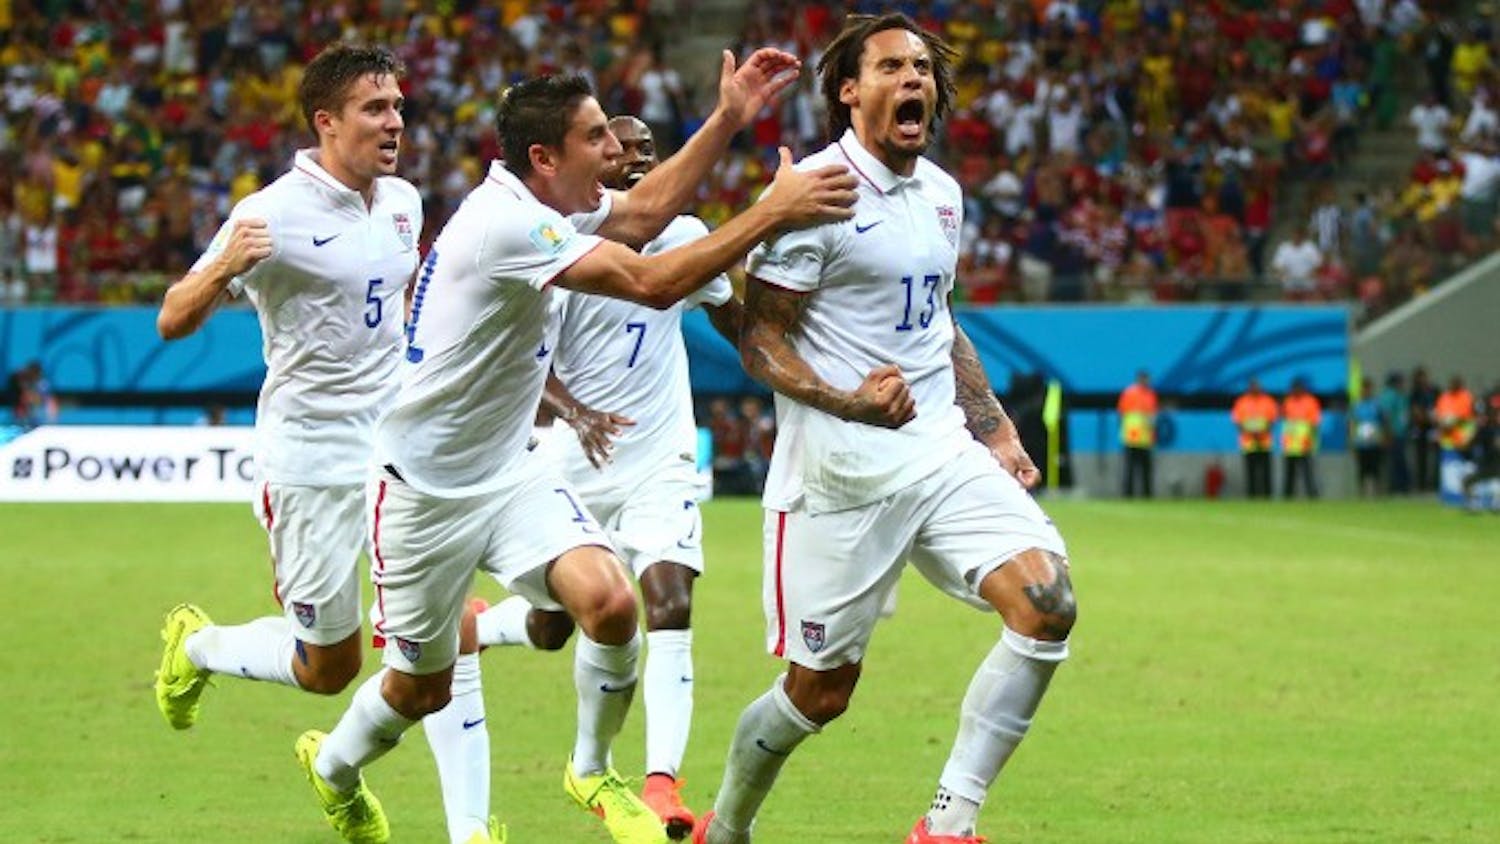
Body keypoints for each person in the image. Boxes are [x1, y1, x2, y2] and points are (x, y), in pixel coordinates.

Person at [297, 59, 856, 844]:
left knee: (613, 604)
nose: (613, 152)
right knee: (417, 690)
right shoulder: (507, 224)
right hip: (423, 492)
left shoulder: (545, 206)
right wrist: (771, 210)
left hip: (511, 470)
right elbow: (652, 281)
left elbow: (649, 211)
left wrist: (728, 115)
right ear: (544, 160)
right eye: (595, 138)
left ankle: (591, 769)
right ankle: (336, 771)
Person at [694, 15, 1076, 844]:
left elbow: (937, 320)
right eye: (893, 67)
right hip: (839, 476)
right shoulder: (814, 195)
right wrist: (848, 402)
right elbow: (760, 336)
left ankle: (948, 824)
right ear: (848, 89)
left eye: (923, 69)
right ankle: (727, 826)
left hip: (939, 451)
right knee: (819, 694)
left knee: (1047, 605)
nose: (914, 80)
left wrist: (996, 428)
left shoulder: (943, 194)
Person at [151, 44, 501, 844]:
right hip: (308, 460)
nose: (396, 124)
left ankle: (471, 831)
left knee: (446, 635)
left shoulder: (405, 202)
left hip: (400, 454)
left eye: (400, 108)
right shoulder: (265, 214)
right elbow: (173, 318)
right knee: (328, 668)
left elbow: (406, 306)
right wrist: (222, 271)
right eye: (376, 109)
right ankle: (198, 645)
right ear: (326, 121)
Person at [473, 114, 745, 839]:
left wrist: (801, 362)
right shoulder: (561, 245)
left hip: (660, 460)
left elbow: (738, 322)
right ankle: (485, 626)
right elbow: (523, 359)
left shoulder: (688, 239)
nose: (636, 162)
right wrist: (574, 410)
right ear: (597, 163)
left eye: (650, 153)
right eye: (620, 150)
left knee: (669, 598)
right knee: (558, 621)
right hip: (574, 461)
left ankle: (660, 783)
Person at [1231, 377, 1278, 498]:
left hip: (1264, 441)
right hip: (1248, 441)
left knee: (1266, 471)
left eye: (1257, 386)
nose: (1255, 388)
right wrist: (1250, 432)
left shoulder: (1268, 401)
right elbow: (1237, 421)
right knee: (1250, 471)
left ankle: (1267, 496)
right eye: (1252, 386)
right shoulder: (1242, 402)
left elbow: (1272, 420)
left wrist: (1261, 432)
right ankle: (1251, 496)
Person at [1117, 370, 1157, 498]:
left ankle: (1147, 495)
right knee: (1130, 468)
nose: (1146, 382)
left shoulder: (1150, 394)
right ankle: (1128, 495)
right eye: (1144, 379)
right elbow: (1122, 414)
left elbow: (1152, 416)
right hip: (1132, 437)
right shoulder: (1129, 393)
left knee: (1146, 469)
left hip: (1145, 438)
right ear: (1139, 379)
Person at [1281, 378, 1322, 499]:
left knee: (1308, 472)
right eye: (1294, 388)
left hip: (1305, 442)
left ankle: (1312, 495)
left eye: (1298, 388)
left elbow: (1314, 422)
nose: (1296, 391)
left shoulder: (1311, 401)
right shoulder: (1288, 401)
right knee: (1290, 472)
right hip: (1291, 444)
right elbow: (1285, 420)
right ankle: (1287, 496)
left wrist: (1312, 440)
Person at [1350, 376, 1386, 497]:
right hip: (1361, 441)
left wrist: (1384, 437)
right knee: (1362, 469)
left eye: (1368, 389)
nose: (1366, 391)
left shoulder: (1377, 404)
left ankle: (1377, 493)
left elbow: (1383, 421)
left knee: (1375, 468)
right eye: (1364, 389)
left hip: (1374, 440)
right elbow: (1353, 423)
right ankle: (1362, 493)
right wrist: (1352, 440)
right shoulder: (1357, 405)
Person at [1377, 372, 1412, 494]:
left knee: (1400, 460)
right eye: (1401, 382)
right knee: (1396, 461)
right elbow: (1385, 416)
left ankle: (1402, 486)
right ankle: (1397, 487)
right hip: (1393, 433)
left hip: (1400, 433)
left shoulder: (1401, 396)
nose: (1403, 385)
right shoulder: (1389, 396)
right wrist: (1388, 433)